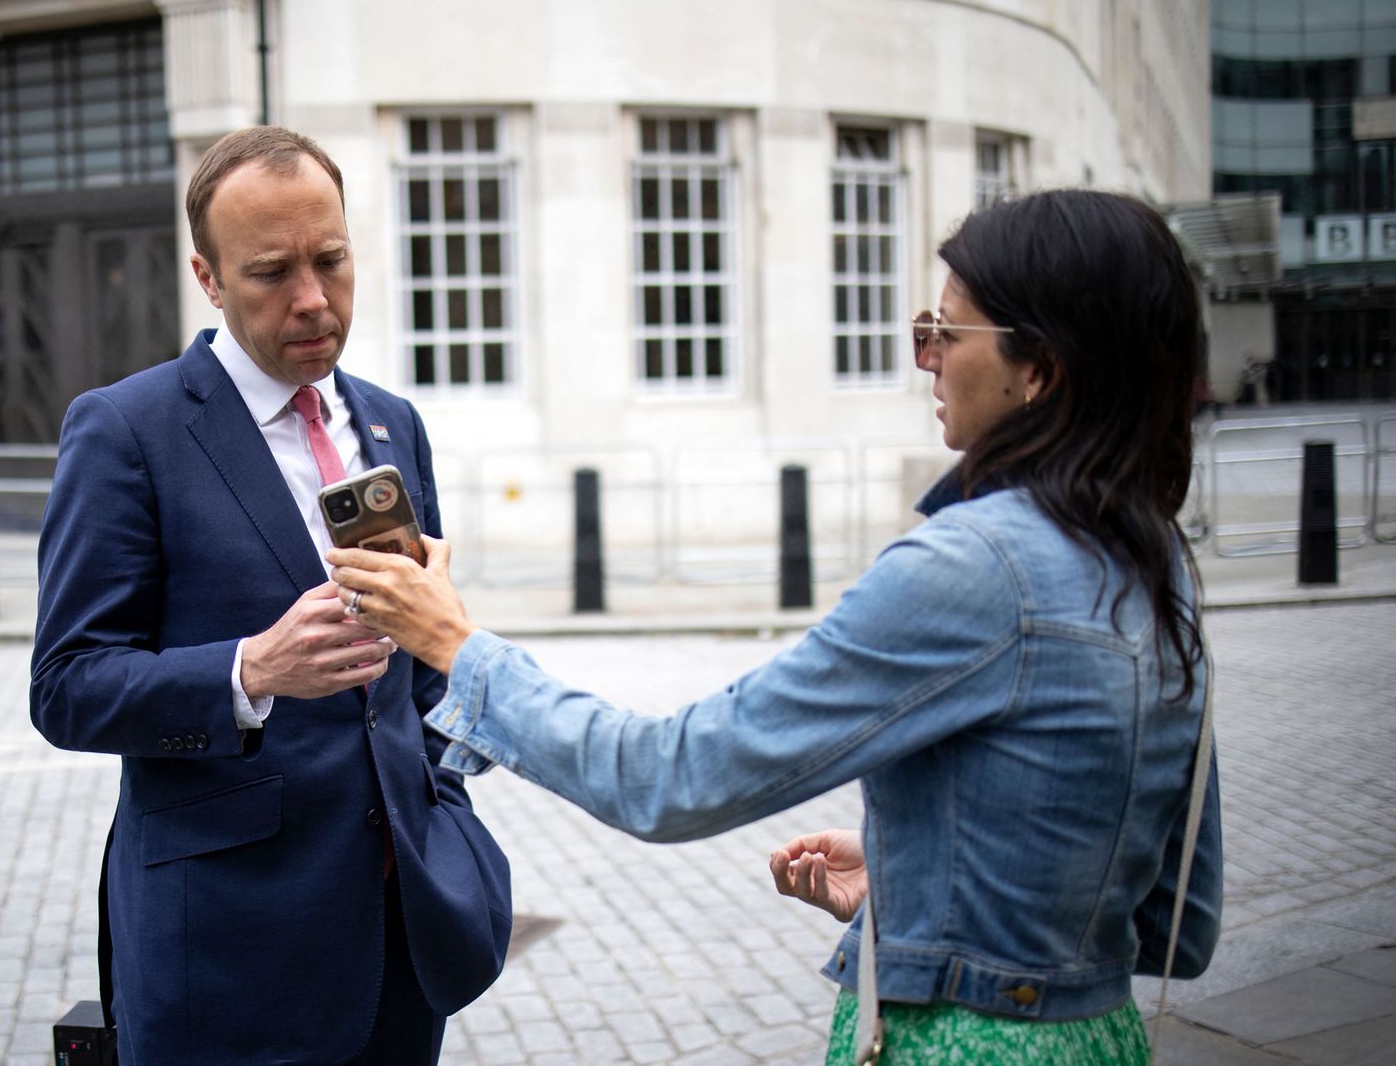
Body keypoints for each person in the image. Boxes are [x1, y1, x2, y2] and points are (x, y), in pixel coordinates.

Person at [329, 189, 1222, 1064]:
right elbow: (1180, 923)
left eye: (947, 333)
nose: (928, 360)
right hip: (1098, 1038)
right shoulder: (1156, 557)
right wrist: (921, 880)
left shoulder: (974, 567)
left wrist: (457, 648)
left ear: (1042, 369)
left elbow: (670, 776)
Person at [30, 126, 511, 1065]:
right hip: (227, 953)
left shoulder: (389, 421)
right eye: (271, 271)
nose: (312, 300)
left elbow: (411, 674)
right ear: (208, 278)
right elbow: (67, 686)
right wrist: (251, 670)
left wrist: (444, 794)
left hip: (400, 936)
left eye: (331, 260)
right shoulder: (127, 430)